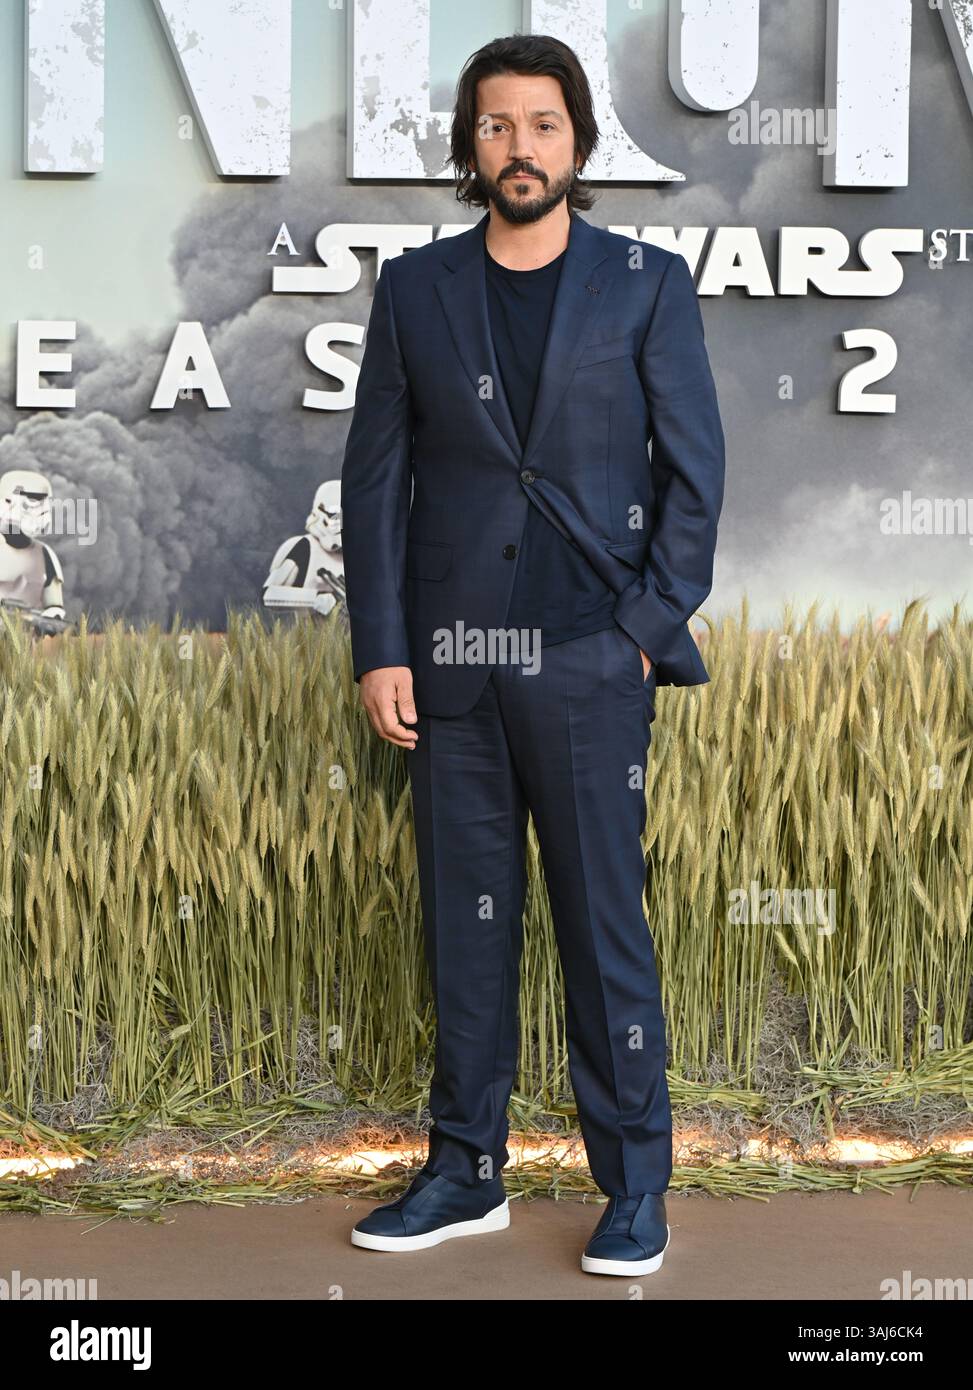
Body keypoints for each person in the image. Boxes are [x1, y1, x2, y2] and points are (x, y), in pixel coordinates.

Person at [340, 33, 725, 1277]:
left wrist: (637, 638)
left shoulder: (645, 283)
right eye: (496, 126)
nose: (520, 147)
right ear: (469, 147)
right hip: (450, 663)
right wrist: (383, 649)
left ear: (578, 143)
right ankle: (463, 1172)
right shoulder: (413, 289)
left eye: (544, 124)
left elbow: (694, 478)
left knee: (603, 924)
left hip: (589, 663)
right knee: (466, 928)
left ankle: (634, 1184)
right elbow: (378, 481)